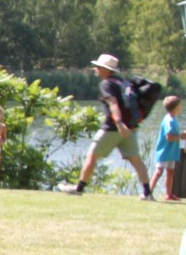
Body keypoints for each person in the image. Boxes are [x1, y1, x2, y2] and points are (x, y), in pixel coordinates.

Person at [57, 53, 154, 199]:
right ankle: (147, 193)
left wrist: (119, 123)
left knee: (92, 155)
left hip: (113, 128)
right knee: (136, 160)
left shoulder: (107, 84)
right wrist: (125, 125)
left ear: (106, 69)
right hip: (130, 128)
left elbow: (113, 103)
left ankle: (79, 188)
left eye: (98, 67)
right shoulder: (123, 82)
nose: (95, 69)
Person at [149, 94, 183, 202]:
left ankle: (168, 194)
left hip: (171, 151)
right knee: (159, 171)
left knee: (170, 172)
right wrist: (181, 136)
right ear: (175, 107)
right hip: (164, 151)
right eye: (179, 105)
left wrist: (182, 135)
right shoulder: (169, 120)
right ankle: (148, 192)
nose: (181, 107)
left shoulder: (174, 119)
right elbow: (169, 137)